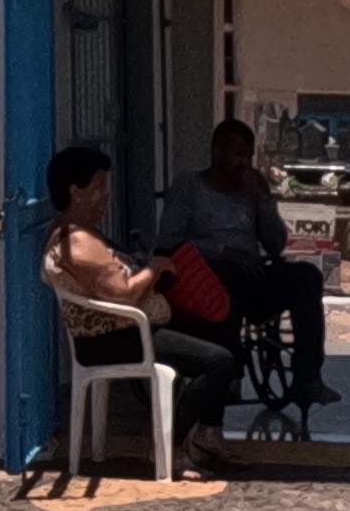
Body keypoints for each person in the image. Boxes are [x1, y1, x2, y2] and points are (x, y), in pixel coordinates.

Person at [44, 140, 240, 464]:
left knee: (217, 330)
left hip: (128, 328)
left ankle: (198, 433)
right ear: (75, 191)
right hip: (117, 339)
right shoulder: (76, 241)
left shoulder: (78, 233)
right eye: (99, 186)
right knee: (219, 362)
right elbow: (123, 293)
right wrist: (155, 267)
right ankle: (168, 446)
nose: (106, 195)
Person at [171, 117, 333, 407]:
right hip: (205, 283)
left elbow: (276, 245)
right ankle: (230, 370)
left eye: (247, 155)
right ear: (217, 152)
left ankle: (307, 376)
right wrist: (222, 251)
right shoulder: (190, 187)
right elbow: (170, 242)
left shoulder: (249, 190)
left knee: (306, 277)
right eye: (236, 154)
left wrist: (264, 203)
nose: (243, 163)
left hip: (250, 279)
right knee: (229, 273)